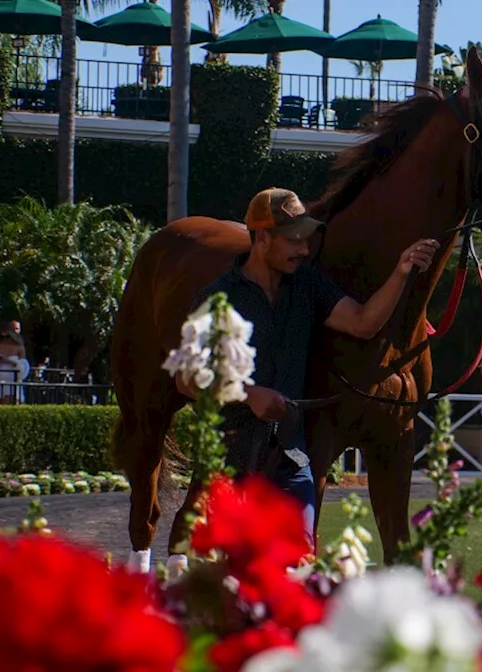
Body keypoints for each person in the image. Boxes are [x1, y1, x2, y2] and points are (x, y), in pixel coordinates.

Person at [179, 187, 440, 545]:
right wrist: (247, 393)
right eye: (293, 240)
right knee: (236, 580)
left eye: (306, 239)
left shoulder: (308, 285)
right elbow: (185, 378)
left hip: (292, 460)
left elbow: (363, 322)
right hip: (230, 462)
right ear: (263, 238)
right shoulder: (216, 297)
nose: (304, 249)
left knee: (298, 563)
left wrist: (402, 271)